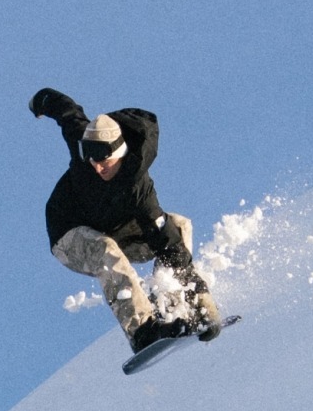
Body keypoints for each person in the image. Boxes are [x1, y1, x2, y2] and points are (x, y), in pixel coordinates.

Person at [28, 88, 223, 355]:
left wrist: (201, 301)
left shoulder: (139, 190)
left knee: (176, 226)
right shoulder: (82, 146)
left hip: (119, 231)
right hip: (69, 235)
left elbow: (167, 242)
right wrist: (42, 100)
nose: (98, 167)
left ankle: (171, 304)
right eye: (92, 159)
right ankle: (142, 331)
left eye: (104, 160)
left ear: (119, 153)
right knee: (104, 248)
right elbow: (68, 112)